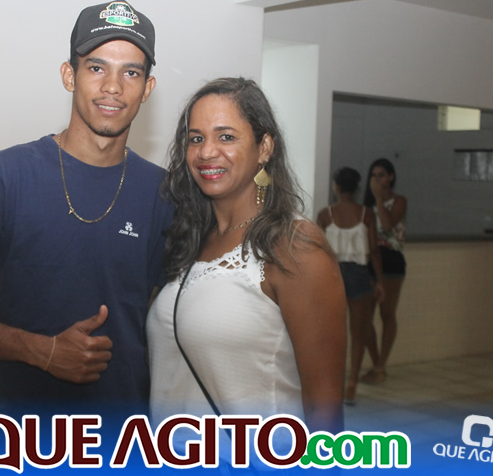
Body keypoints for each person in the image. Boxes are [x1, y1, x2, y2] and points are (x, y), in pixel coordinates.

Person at [0, 0, 172, 427]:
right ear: (69, 75)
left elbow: (161, 322)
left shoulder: (163, 194)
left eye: (131, 72)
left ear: (147, 88)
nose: (113, 86)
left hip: (128, 442)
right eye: (97, 67)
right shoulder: (4, 178)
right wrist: (43, 351)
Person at [147, 77, 346, 461]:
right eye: (196, 138)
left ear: (264, 147)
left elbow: (325, 409)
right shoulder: (189, 240)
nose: (207, 152)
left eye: (226, 137)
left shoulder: (295, 247)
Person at [316, 167, 384, 406]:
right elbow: (374, 250)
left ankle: (331, 382)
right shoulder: (366, 214)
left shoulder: (326, 215)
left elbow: (317, 250)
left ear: (336, 187)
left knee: (331, 333)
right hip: (359, 274)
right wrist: (379, 281)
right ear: (355, 188)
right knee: (358, 332)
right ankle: (352, 382)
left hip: (332, 274)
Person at [360, 158, 407, 384]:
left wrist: (378, 198)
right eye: (373, 175)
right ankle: (377, 363)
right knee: (364, 318)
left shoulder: (399, 201)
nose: (377, 180)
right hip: (369, 260)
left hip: (391, 261)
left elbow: (388, 226)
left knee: (387, 313)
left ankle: (380, 365)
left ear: (391, 177)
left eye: (381, 175)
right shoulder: (366, 207)